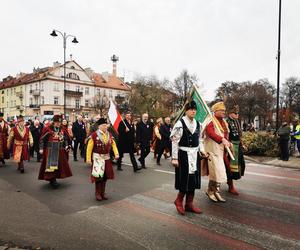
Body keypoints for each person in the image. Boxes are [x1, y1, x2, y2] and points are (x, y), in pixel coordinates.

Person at [171, 100, 207, 215]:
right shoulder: (180, 124)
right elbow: (175, 141)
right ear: (186, 111)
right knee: (184, 179)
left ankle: (189, 204)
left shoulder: (198, 123)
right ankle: (179, 200)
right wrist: (175, 157)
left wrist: (202, 151)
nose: (193, 111)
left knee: (194, 180)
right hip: (183, 155)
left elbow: (200, 140)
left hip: (195, 155)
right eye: (191, 109)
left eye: (195, 109)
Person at [203, 101, 230, 202]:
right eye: (221, 110)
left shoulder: (224, 122)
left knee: (220, 172)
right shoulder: (211, 120)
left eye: (224, 110)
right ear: (216, 111)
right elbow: (210, 132)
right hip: (212, 150)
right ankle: (210, 191)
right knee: (215, 172)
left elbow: (226, 134)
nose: (224, 112)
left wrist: (228, 142)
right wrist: (221, 139)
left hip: (221, 151)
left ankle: (216, 191)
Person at [86, 118, 119, 201]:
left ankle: (103, 193)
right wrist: (88, 159)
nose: (105, 127)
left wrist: (116, 154)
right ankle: (97, 193)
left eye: (106, 125)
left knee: (105, 176)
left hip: (107, 158)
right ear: (99, 126)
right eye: (104, 125)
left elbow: (113, 144)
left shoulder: (109, 135)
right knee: (98, 176)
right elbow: (89, 149)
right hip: (97, 159)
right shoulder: (94, 135)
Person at [38, 115, 73, 188]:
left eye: (59, 122)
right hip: (51, 149)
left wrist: (67, 145)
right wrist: (41, 148)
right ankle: (52, 179)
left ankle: (55, 177)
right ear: (53, 122)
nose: (58, 124)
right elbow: (42, 139)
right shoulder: (47, 129)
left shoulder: (62, 129)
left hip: (60, 150)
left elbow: (66, 138)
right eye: (57, 122)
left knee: (60, 165)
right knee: (51, 166)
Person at [226, 103, 246, 195]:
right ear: (230, 113)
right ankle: (230, 186)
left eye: (238, 113)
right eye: (235, 113)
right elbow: (225, 135)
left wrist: (242, 143)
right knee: (229, 167)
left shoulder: (237, 122)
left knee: (240, 165)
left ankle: (229, 183)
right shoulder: (226, 122)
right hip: (230, 147)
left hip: (238, 146)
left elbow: (239, 134)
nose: (237, 115)